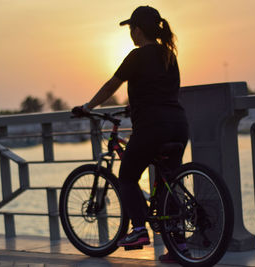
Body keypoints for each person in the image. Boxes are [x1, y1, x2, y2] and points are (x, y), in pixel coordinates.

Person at [72, 6, 189, 263]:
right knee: (168, 182)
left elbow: (111, 85)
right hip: (179, 124)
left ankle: (138, 230)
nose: (130, 35)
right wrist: (134, 106)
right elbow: (164, 91)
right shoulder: (169, 54)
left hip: (152, 127)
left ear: (137, 30)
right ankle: (179, 247)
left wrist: (87, 107)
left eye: (131, 30)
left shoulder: (137, 56)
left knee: (126, 177)